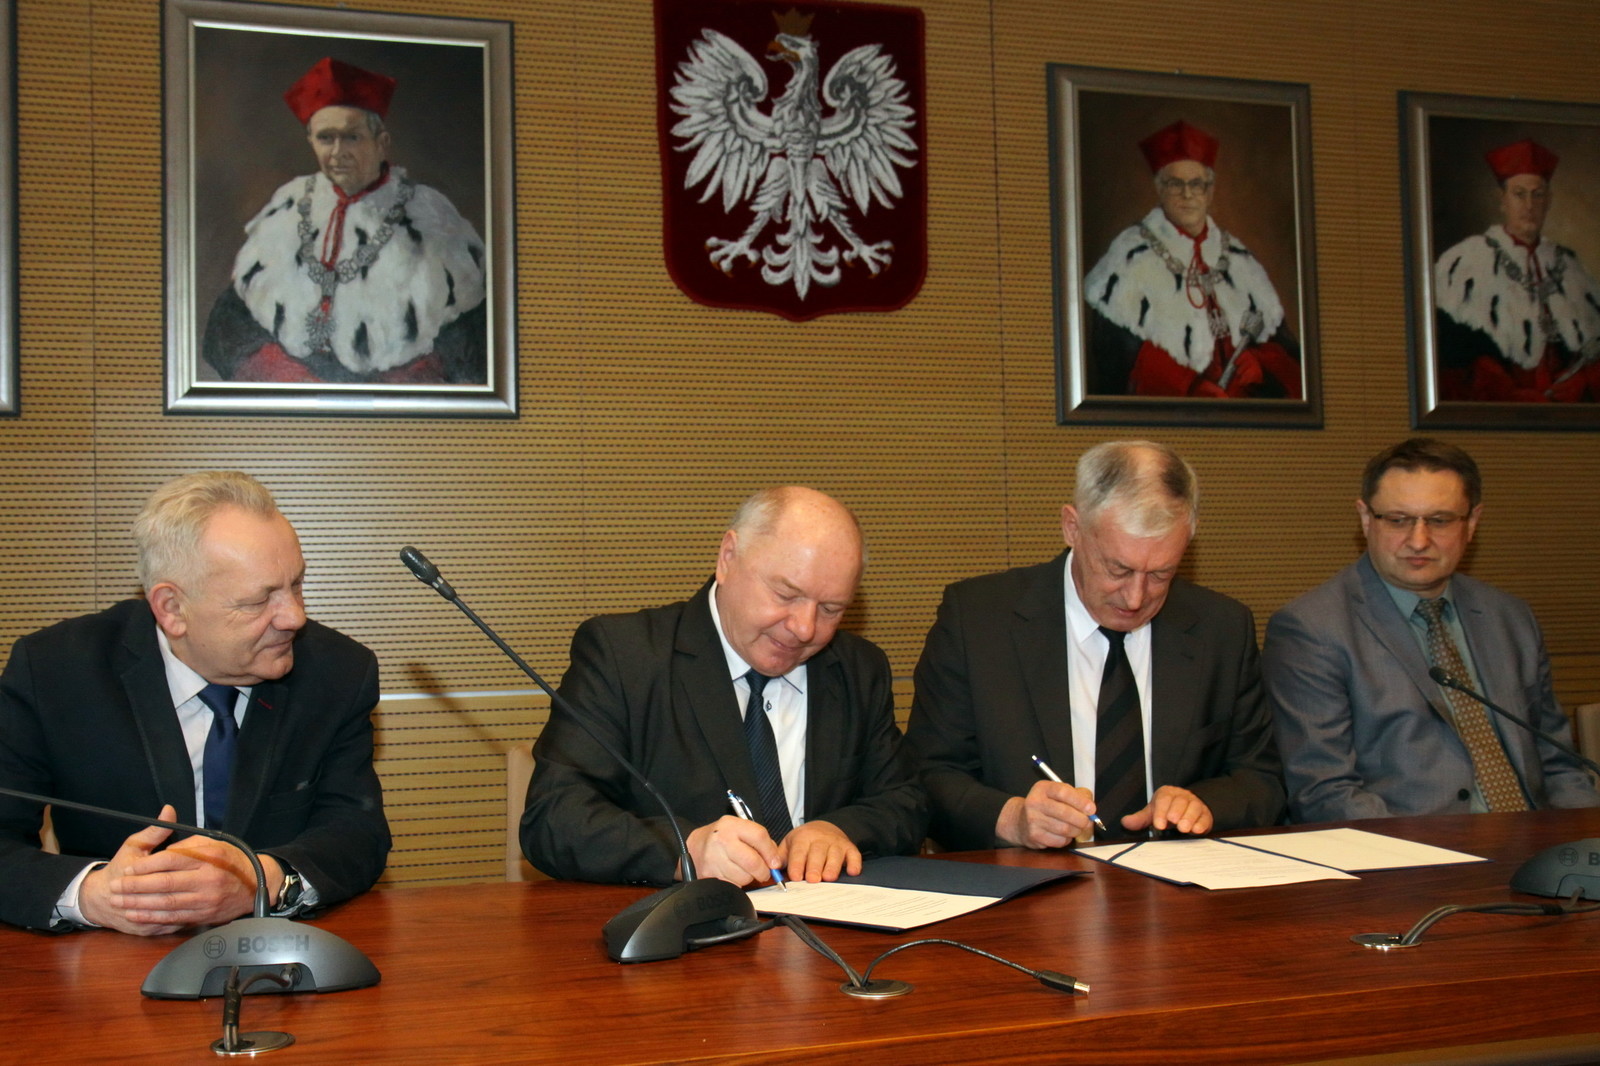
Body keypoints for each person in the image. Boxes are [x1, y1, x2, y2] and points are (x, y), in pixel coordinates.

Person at [0, 472, 391, 934]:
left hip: (281, 952)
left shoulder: (337, 671)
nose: (294, 617)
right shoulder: (55, 671)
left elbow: (357, 832)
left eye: (296, 585)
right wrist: (93, 895)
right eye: (259, 600)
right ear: (172, 608)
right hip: (112, 958)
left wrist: (262, 880)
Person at [522, 486, 924, 887]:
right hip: (682, 919)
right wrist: (684, 849)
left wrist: (839, 829)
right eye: (786, 594)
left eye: (830, 609)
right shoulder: (625, 656)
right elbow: (554, 817)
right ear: (728, 558)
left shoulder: (858, 668)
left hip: (829, 916)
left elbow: (905, 802)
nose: (805, 628)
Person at [905, 441, 1284, 852]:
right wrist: (1011, 819)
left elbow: (1261, 780)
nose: (1135, 598)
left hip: (1177, 881)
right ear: (1073, 527)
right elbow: (926, 774)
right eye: (1117, 569)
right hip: (1032, 881)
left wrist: (1204, 804)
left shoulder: (1221, 628)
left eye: (1161, 574)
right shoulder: (979, 620)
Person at [1263, 438, 1599, 822]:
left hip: (1536, 840)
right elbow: (1325, 791)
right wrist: (1431, 853)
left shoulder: (1510, 618)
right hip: (1409, 847)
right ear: (1366, 519)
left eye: (1439, 520)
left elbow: (1560, 766)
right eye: (1398, 520)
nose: (1419, 541)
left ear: (1471, 523)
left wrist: (1585, 838)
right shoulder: (1312, 629)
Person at [202, 56, 488, 385]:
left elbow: (475, 331)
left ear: (381, 143)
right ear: (311, 142)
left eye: (352, 137)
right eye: (326, 138)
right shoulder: (287, 208)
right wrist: (280, 375)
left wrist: (412, 382)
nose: (338, 152)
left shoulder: (429, 216)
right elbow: (229, 323)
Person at [1083, 120, 1301, 399]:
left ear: (1209, 191)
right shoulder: (1129, 257)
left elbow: (1288, 355)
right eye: (1175, 184)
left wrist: (1259, 364)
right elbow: (1115, 358)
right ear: (1159, 189)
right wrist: (1188, 386)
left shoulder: (1239, 260)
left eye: (1196, 184)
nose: (1187, 194)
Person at [1433, 139, 1600, 403]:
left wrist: (1581, 383)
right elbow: (1454, 365)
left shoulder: (1570, 265)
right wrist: (1512, 395)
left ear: (1549, 201)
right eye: (1519, 194)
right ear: (1502, 200)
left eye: (1538, 194)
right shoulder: (1466, 262)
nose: (1529, 206)